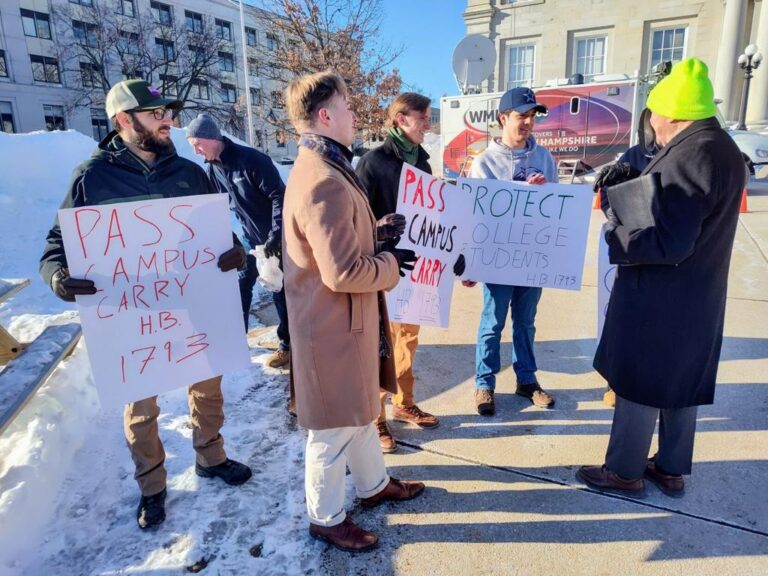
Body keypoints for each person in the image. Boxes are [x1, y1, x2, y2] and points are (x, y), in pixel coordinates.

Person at [39, 80, 252, 530]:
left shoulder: (189, 173)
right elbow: (57, 245)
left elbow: (217, 230)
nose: (167, 120)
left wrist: (235, 251)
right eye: (156, 114)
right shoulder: (92, 177)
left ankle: (211, 456)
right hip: (134, 315)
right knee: (140, 405)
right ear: (123, 119)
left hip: (193, 305)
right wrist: (58, 276)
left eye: (167, 113)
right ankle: (152, 486)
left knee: (207, 386)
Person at [577, 58, 747, 498]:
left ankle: (624, 471)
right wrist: (632, 183)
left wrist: (616, 233)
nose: (650, 123)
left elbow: (670, 241)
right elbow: (682, 213)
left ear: (670, 113)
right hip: (698, 292)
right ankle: (670, 468)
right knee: (682, 380)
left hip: (660, 295)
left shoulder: (691, 154)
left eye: (652, 113)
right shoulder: (721, 147)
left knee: (640, 379)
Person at [283, 70, 424, 552]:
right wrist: (390, 263)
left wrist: (375, 235)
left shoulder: (326, 166)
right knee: (332, 429)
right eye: (346, 106)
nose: (354, 114)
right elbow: (341, 273)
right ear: (325, 116)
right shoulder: (323, 179)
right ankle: (325, 518)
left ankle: (373, 484)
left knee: (361, 413)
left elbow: (334, 244)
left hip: (343, 324)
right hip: (331, 329)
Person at [463, 87, 558, 416]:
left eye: (533, 116)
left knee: (526, 322)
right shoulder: (485, 162)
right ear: (503, 118)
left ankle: (527, 380)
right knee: (492, 323)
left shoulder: (544, 158)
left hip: (531, 256)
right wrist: (471, 263)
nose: (528, 122)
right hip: (498, 259)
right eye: (522, 116)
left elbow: (557, 208)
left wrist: (543, 195)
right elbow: (475, 215)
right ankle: (484, 384)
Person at [355, 92, 441, 453]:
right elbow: (355, 217)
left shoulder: (423, 162)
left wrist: (449, 253)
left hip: (416, 265)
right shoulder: (373, 162)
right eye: (423, 118)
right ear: (401, 119)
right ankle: (376, 417)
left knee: (408, 338)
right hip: (385, 266)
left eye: (428, 118)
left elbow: (433, 215)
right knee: (382, 345)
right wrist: (378, 231)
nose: (428, 125)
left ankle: (404, 403)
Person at [186, 114, 290, 369]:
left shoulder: (251, 160)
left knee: (278, 290)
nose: (196, 151)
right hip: (249, 239)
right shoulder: (213, 170)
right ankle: (234, 341)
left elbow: (279, 195)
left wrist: (276, 234)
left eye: (197, 145)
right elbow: (216, 209)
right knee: (240, 286)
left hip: (276, 239)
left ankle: (287, 345)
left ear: (212, 138)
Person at [593, 107, 658, 407]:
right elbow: (608, 194)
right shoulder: (634, 155)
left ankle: (648, 384)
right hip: (632, 251)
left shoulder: (682, 157)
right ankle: (615, 384)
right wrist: (616, 218)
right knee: (620, 324)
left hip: (665, 255)